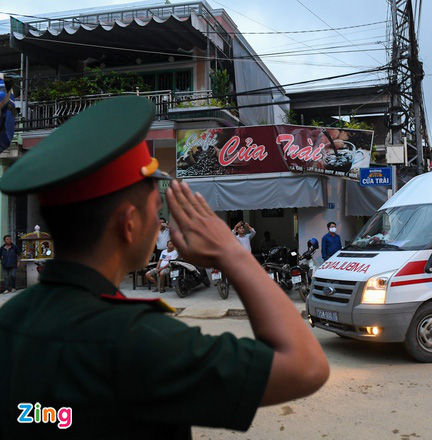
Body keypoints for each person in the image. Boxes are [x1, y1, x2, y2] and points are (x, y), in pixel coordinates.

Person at [0, 96, 328, 438]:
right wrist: (232, 253)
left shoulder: (11, 320)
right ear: (128, 224)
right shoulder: (139, 343)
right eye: (156, 208)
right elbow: (306, 366)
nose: (163, 224)